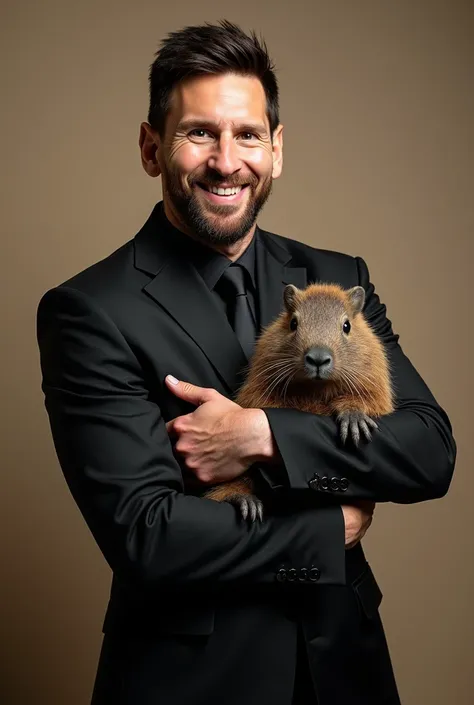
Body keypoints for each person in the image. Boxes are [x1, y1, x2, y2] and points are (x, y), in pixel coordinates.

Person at [36, 20, 456, 705]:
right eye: (199, 132)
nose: (227, 161)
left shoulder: (336, 277)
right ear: (150, 148)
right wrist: (328, 530)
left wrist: (264, 437)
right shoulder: (89, 309)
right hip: (193, 682)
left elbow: (427, 448)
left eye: (248, 135)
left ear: (277, 149)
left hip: (347, 671)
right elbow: (151, 534)